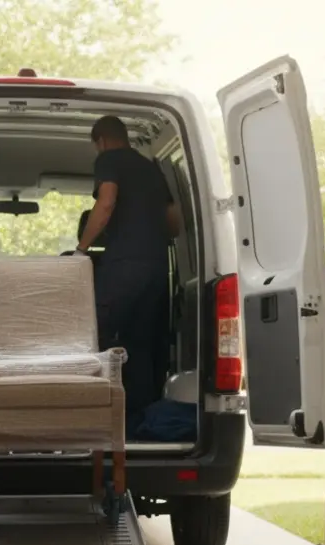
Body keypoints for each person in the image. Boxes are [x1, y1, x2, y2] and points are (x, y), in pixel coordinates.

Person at [76, 115, 181, 427]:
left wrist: (81, 249)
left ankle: (93, 414)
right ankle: (140, 419)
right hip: (157, 268)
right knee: (143, 343)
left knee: (99, 335)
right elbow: (173, 221)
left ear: (101, 141)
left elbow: (106, 202)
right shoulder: (151, 167)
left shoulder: (109, 159)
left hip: (124, 266)